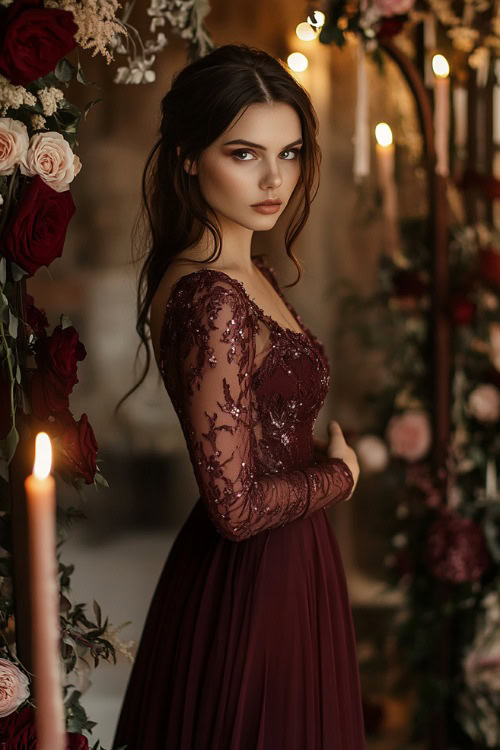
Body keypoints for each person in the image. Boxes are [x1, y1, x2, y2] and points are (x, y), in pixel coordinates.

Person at [112, 43, 365, 749]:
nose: (274, 179)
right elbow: (235, 506)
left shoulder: (247, 272)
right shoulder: (210, 296)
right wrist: (339, 476)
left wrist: (309, 458)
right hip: (254, 581)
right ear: (190, 156)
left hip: (291, 564)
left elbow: (260, 427)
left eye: (289, 154)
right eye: (246, 153)